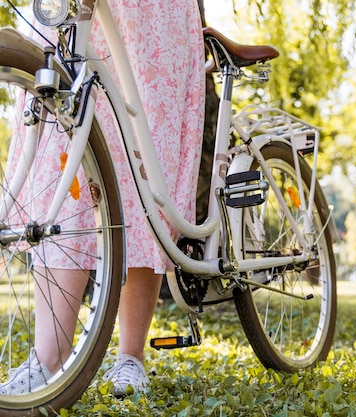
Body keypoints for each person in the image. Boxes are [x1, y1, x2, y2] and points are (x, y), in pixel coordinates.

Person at [0, 0, 205, 397]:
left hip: (151, 19)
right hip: (72, 11)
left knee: (142, 171)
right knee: (58, 155)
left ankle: (130, 356)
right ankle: (48, 354)